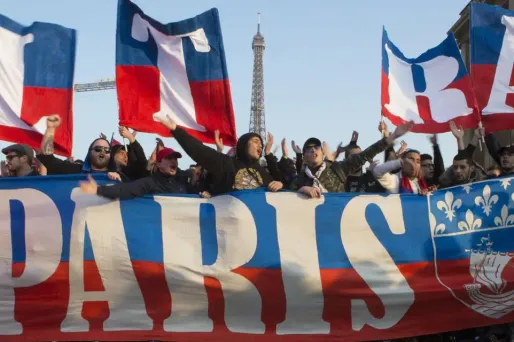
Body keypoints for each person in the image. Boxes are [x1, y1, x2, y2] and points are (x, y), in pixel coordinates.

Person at [155, 115, 284, 195]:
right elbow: (199, 150)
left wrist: (280, 185)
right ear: (244, 144)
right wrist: (176, 131)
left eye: (261, 143)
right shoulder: (227, 164)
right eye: (255, 141)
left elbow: (281, 186)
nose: (260, 145)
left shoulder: (261, 171)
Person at [291, 121, 413, 198]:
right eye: (308, 149)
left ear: (322, 152)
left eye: (317, 147)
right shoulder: (300, 179)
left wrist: (392, 137)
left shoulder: (337, 169)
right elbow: (283, 196)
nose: (313, 150)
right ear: (304, 157)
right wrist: (302, 189)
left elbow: (365, 154)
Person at [79, 147, 196, 199]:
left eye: (175, 158)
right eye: (169, 158)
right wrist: (98, 190)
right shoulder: (150, 183)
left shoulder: (184, 181)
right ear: (159, 164)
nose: (173, 161)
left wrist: (205, 195)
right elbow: (125, 190)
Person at [38, 115, 118, 177]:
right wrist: (50, 128)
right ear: (90, 153)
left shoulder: (119, 176)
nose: (102, 152)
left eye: (107, 150)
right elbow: (47, 159)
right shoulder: (74, 170)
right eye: (98, 149)